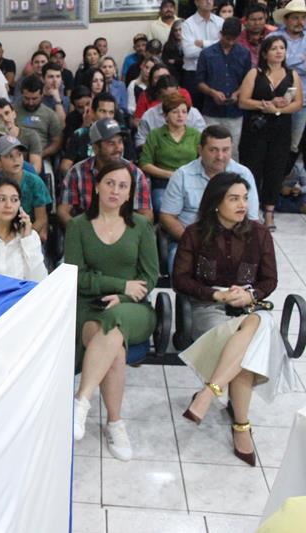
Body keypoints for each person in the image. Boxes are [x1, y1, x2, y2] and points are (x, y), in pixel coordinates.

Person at [174, 173, 295, 466]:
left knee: (251, 326)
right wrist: (215, 294)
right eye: (234, 198)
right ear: (217, 203)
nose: (242, 204)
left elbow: (270, 279)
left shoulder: (259, 233)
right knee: (245, 344)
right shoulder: (195, 233)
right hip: (209, 308)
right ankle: (241, 425)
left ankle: (209, 393)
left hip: (249, 307)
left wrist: (249, 294)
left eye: (244, 197)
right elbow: (180, 279)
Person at [68, 159, 159, 461]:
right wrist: (119, 285)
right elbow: (75, 276)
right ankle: (115, 424)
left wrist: (126, 296)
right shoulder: (78, 226)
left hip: (133, 307)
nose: (115, 191)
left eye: (123, 186)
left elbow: (150, 277)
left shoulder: (141, 226)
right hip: (88, 306)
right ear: (96, 186)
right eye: (110, 183)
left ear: (130, 192)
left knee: (117, 321)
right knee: (114, 348)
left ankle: (81, 401)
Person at [159, 125, 260, 272]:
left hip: (233, 244)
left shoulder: (244, 174)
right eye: (213, 150)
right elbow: (167, 216)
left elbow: (251, 219)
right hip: (191, 243)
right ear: (200, 150)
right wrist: (192, 241)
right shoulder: (182, 175)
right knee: (176, 259)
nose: (220, 156)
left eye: (225, 150)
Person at [238, 34, 303, 230]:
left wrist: (279, 109)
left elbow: (298, 103)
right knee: (253, 168)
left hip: (281, 129)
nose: (278, 52)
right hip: (256, 129)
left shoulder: (292, 74)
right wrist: (263, 105)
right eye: (274, 48)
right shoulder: (254, 73)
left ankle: (269, 213)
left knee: (275, 170)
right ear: (265, 53)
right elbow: (243, 101)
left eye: (282, 48)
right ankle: (250, 212)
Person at [58, 119, 153, 227]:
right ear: (95, 148)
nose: (118, 148)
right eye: (111, 143)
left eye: (120, 142)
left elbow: (146, 214)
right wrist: (79, 231)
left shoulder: (135, 173)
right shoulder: (77, 172)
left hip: (124, 234)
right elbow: (63, 211)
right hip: (88, 233)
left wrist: (127, 233)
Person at [196, 17, 250, 160]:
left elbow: (248, 80)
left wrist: (237, 93)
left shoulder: (244, 54)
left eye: (234, 39)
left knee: (232, 150)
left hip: (234, 111)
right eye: (227, 38)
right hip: (211, 110)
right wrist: (212, 92)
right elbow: (199, 82)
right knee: (209, 148)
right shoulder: (207, 54)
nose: (230, 42)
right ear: (221, 34)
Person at [140, 93, 202, 212]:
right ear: (165, 115)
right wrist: (170, 174)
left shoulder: (195, 135)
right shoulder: (155, 134)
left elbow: (203, 161)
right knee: (162, 205)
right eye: (175, 112)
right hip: (164, 183)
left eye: (184, 112)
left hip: (191, 182)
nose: (180, 116)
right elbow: (145, 163)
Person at [270, 0, 306, 180]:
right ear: (286, 19)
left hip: (303, 101)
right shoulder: (275, 37)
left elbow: (286, 64)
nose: (300, 22)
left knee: (294, 145)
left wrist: (290, 63)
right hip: (277, 98)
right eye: (296, 18)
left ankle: (285, 181)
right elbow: (277, 65)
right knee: (276, 142)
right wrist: (301, 61)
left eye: (303, 18)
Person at [0, 135, 51, 240]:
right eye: (9, 156)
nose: (16, 160)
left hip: (30, 233)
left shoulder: (35, 182)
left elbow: (41, 219)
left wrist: (24, 238)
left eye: (19, 155)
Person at [136, 75, 206, 147]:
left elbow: (203, 140)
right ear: (159, 95)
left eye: (174, 95)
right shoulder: (149, 115)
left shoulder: (193, 114)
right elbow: (140, 140)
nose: (170, 99)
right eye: (166, 97)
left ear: (179, 91)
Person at [60, 93, 120, 176]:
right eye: (103, 111)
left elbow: (127, 163)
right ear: (92, 112)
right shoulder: (80, 134)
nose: (107, 116)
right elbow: (65, 166)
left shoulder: (121, 135)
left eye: (111, 112)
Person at [182, 0, 225, 111]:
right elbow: (188, 51)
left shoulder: (221, 22)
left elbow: (224, 47)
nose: (208, 1)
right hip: (193, 74)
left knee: (214, 112)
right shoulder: (188, 24)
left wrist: (204, 43)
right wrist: (215, 44)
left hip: (215, 73)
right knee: (195, 111)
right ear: (196, 2)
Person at [16, 76, 64, 160]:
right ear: (22, 94)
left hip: (41, 156)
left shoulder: (50, 114)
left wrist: (40, 154)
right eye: (27, 98)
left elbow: (57, 142)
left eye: (34, 98)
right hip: (15, 156)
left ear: (42, 95)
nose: (30, 103)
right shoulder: (12, 112)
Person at [0, 98, 43, 172]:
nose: (5, 118)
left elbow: (36, 168)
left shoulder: (31, 135)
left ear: (14, 114)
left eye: (7, 113)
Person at [237, 3, 274, 67]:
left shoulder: (273, 36)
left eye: (260, 19)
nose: (257, 23)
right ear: (246, 21)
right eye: (253, 20)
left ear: (265, 19)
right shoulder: (239, 39)